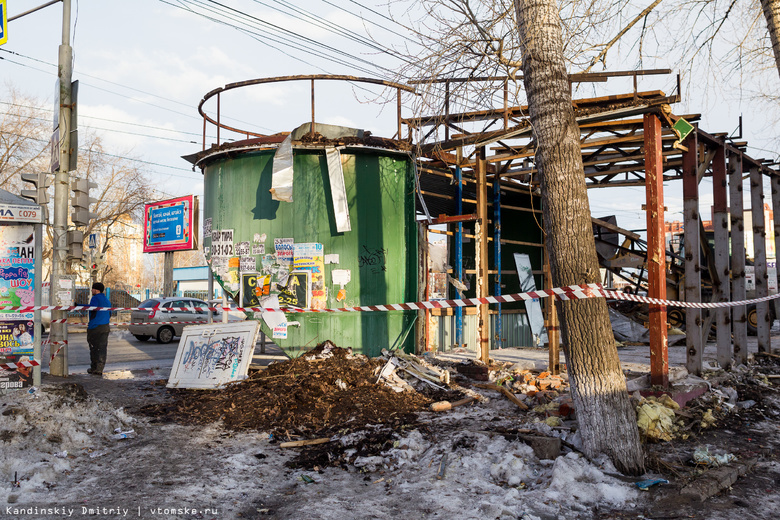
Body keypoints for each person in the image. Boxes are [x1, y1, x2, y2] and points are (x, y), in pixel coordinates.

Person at [87, 282, 111, 376]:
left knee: (94, 348)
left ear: (96, 290)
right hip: (105, 326)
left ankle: (94, 368)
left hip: (95, 327)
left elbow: (91, 308)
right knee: (102, 348)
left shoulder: (95, 298)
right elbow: (110, 313)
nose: (91, 290)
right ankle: (100, 368)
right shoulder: (106, 299)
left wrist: (78, 305)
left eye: (92, 289)